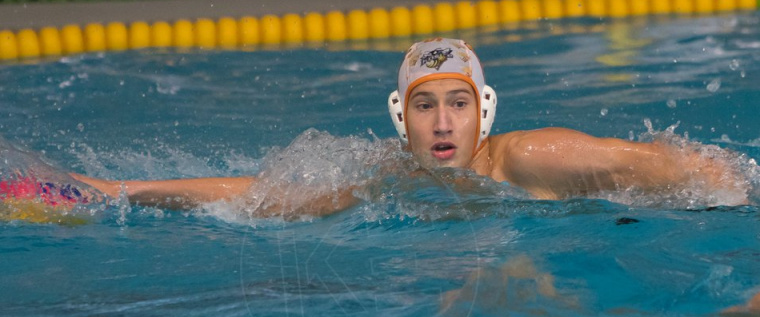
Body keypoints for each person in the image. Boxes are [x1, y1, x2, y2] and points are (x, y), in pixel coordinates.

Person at [70, 37, 749, 213]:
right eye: (426, 107)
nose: (444, 123)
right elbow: (263, 197)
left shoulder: (535, 158)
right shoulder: (390, 176)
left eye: (459, 104)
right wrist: (121, 190)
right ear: (403, 120)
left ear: (485, 111)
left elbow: (676, 166)